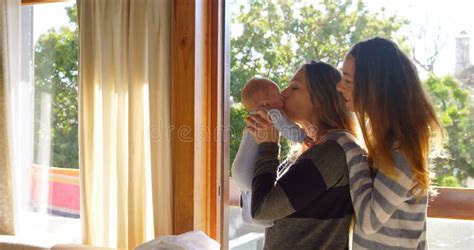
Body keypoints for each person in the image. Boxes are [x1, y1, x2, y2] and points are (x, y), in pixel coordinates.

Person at [336, 37, 443, 249]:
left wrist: (350, 147)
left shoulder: (403, 148)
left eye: (347, 80)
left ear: (374, 88)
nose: (339, 87)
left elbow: (368, 221)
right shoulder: (385, 141)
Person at [245, 61, 356, 249]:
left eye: (294, 87)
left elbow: (262, 209)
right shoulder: (311, 149)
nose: (284, 93)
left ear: (321, 98)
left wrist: (268, 146)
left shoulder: (331, 152)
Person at [232, 77, 306, 226]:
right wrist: (303, 135)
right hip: (250, 171)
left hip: (239, 170)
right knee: (260, 195)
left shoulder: (254, 117)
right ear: (267, 103)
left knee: (250, 195)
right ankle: (263, 219)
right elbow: (290, 131)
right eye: (278, 95)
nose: (283, 96)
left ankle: (250, 216)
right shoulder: (271, 112)